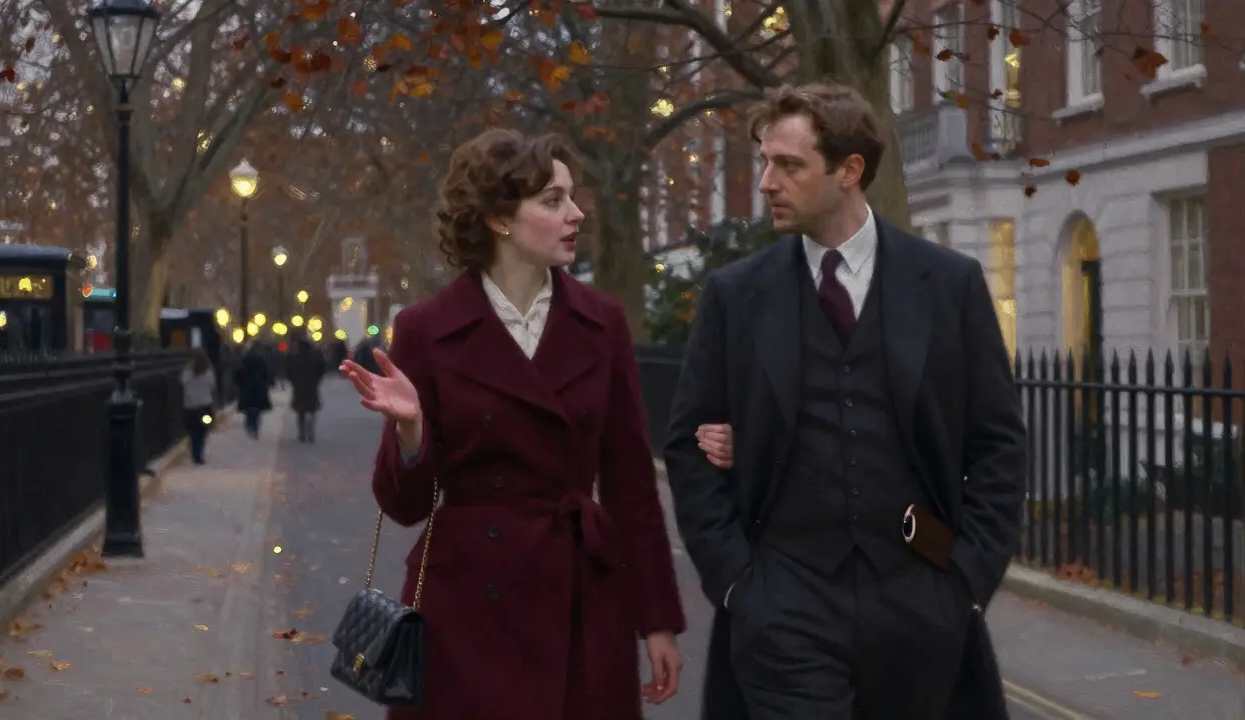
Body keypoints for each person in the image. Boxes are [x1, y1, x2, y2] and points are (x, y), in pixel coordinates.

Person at [664, 82, 1027, 720]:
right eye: (766, 162)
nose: (767, 182)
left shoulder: (949, 284)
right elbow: (687, 446)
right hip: (783, 602)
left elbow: (998, 441)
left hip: (920, 598)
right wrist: (737, 582)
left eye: (789, 165)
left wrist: (966, 579)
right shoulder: (735, 295)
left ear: (849, 170)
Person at [339, 128, 685, 720]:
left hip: (580, 597)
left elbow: (631, 486)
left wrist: (657, 620)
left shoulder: (602, 322)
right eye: (553, 200)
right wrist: (412, 430)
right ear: (499, 218)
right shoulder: (427, 329)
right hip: (466, 610)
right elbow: (403, 505)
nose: (576, 214)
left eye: (572, 197)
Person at [180, 347, 217, 464]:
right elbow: (212, 385)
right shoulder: (208, 370)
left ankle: (195, 452)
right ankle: (199, 452)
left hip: (190, 406)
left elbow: (183, 383)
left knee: (193, 430)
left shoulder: (187, 371)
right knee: (203, 430)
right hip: (205, 405)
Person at [286, 337, 326, 442]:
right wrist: (317, 380)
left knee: (301, 412)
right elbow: (321, 368)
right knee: (312, 410)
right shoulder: (314, 357)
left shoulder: (296, 358)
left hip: (299, 386)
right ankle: (311, 432)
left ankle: (302, 433)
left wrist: (294, 381)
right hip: (311, 385)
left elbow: (289, 371)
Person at [235, 341, 272, 439]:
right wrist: (266, 383)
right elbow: (267, 374)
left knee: (249, 409)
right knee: (257, 410)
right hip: (259, 387)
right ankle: (255, 427)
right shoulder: (262, 360)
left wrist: (240, 384)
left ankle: (249, 425)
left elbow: (239, 373)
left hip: (247, 387)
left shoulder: (245, 360)